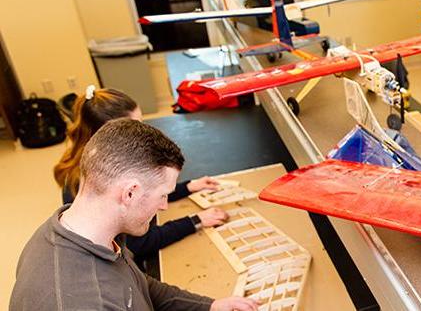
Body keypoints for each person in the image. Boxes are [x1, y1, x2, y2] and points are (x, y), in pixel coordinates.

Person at [11, 119, 258, 310]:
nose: (164, 206)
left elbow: (138, 286)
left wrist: (210, 306)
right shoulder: (85, 302)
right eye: (163, 195)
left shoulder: (82, 231)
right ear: (130, 193)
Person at [53, 87, 228, 270]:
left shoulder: (103, 158)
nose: (143, 132)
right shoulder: (101, 179)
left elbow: (148, 190)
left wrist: (189, 187)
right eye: (134, 126)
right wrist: (194, 221)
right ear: (110, 132)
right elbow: (139, 243)